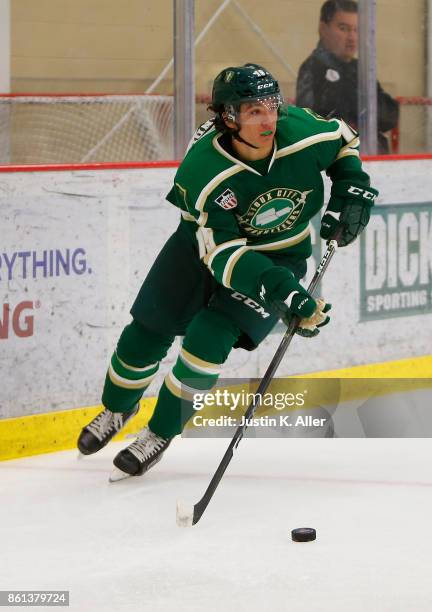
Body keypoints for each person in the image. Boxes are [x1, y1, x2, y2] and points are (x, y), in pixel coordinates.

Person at [77, 63, 378, 479]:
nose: (268, 119)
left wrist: (350, 183)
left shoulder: (302, 132)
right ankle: (117, 408)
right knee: (146, 332)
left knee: (208, 337)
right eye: (253, 110)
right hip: (201, 249)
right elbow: (223, 256)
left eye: (271, 106)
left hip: (278, 256)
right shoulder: (203, 171)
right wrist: (282, 292)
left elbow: (345, 140)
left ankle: (160, 432)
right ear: (226, 116)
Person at [296, 0, 399, 154]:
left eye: (356, 29)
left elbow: (389, 117)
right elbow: (313, 123)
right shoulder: (313, 68)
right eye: (343, 28)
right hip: (337, 167)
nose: (352, 37)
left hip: (371, 162)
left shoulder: (359, 69)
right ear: (323, 29)